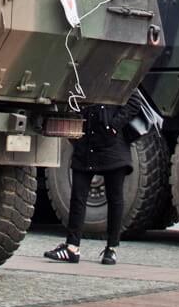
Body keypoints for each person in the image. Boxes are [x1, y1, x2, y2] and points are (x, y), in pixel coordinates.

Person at [45, 105, 134, 266]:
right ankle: (72, 247)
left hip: (113, 147)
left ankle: (112, 248)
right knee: (77, 196)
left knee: (115, 198)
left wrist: (113, 125)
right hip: (86, 145)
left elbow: (134, 103)